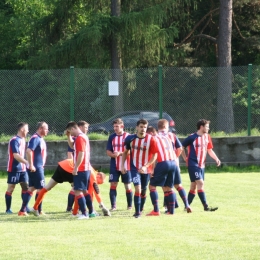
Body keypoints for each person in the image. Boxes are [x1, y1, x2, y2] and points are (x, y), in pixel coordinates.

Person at [30, 159, 110, 217]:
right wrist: (102, 205)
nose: (99, 183)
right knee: (78, 190)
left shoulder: (90, 170)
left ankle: (35, 207)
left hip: (62, 165)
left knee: (47, 187)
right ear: (99, 175)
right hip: (69, 168)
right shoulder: (93, 174)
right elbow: (96, 191)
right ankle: (74, 213)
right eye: (101, 182)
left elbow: (91, 192)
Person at [182, 119, 221, 212]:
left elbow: (210, 150)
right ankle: (206, 206)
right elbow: (181, 147)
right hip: (193, 164)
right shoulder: (192, 137)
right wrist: (185, 157)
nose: (208, 128)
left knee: (193, 186)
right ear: (201, 127)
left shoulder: (207, 137)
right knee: (201, 183)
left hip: (201, 165)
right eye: (207, 126)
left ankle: (187, 206)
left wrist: (216, 159)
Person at [121, 119, 158, 218]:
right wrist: (122, 165)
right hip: (134, 167)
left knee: (143, 190)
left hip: (146, 168)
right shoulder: (130, 138)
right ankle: (137, 212)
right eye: (141, 127)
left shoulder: (151, 139)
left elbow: (155, 155)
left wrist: (146, 166)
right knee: (137, 188)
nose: (143, 129)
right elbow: (125, 152)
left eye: (145, 127)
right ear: (137, 127)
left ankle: (140, 208)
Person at [146, 120, 180, 216]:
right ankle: (171, 211)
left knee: (152, 186)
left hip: (163, 163)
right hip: (173, 162)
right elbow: (177, 149)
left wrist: (152, 169)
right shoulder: (168, 136)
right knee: (169, 187)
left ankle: (156, 210)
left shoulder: (154, 138)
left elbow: (154, 155)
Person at [156, 119, 191, 213]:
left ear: (158, 127)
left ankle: (169, 208)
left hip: (163, 163)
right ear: (166, 127)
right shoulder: (172, 135)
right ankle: (186, 204)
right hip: (174, 163)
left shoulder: (156, 136)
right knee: (178, 185)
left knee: (166, 187)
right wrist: (174, 156)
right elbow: (180, 148)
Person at [18, 121, 48, 216]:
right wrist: (31, 165)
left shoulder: (40, 138)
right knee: (41, 189)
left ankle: (22, 210)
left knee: (31, 188)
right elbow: (29, 151)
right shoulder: (35, 138)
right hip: (36, 168)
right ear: (40, 129)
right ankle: (38, 209)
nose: (47, 130)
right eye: (46, 128)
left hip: (36, 167)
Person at [65, 121, 92, 219]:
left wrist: (76, 167)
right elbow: (72, 146)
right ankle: (91, 211)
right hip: (86, 168)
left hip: (81, 168)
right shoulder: (82, 136)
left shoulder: (80, 138)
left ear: (72, 129)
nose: (70, 134)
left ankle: (84, 214)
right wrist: (68, 136)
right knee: (84, 191)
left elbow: (81, 154)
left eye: (70, 132)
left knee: (77, 191)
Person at [106, 118, 133, 211]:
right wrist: (113, 154)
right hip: (114, 165)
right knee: (113, 184)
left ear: (122, 126)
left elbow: (130, 151)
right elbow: (108, 151)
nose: (115, 128)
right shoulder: (111, 137)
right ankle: (113, 206)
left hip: (126, 164)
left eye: (117, 126)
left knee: (127, 185)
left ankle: (130, 206)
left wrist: (120, 153)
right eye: (114, 126)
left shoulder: (128, 136)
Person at [5, 122, 29, 215]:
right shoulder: (14, 140)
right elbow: (16, 155)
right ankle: (8, 209)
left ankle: (24, 208)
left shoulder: (23, 139)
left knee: (25, 187)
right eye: (27, 129)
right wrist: (27, 162)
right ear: (22, 129)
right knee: (11, 188)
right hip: (14, 168)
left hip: (23, 169)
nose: (28, 131)